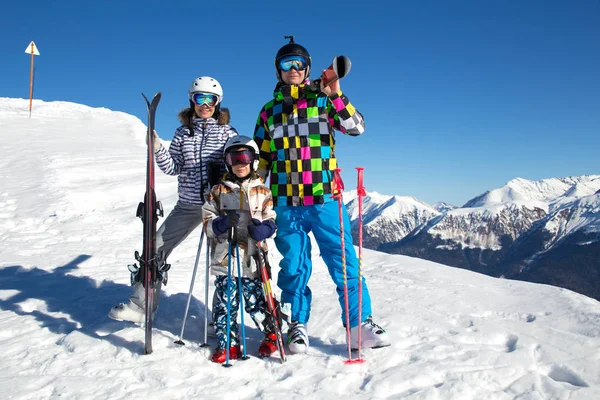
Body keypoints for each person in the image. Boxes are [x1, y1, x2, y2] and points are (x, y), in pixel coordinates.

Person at [252, 37, 390, 354]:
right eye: (286, 64)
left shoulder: (323, 101)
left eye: (299, 63)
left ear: (308, 68)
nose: (293, 69)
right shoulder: (269, 112)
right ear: (278, 70)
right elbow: (262, 158)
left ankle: (359, 325)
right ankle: (295, 326)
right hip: (285, 202)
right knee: (295, 267)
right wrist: (252, 192)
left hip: (324, 199)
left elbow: (357, 128)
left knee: (344, 262)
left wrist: (336, 94)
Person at [109, 76, 238, 323]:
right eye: (200, 98)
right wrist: (158, 148)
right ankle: (141, 306)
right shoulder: (182, 133)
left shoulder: (227, 132)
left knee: (223, 260)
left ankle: (221, 319)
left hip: (218, 206)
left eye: (211, 99)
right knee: (154, 249)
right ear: (192, 100)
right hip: (188, 205)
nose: (205, 104)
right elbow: (172, 167)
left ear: (218, 102)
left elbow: (235, 166)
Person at [202, 136, 279, 363]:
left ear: (254, 160)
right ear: (227, 162)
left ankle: (271, 334)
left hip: (252, 258)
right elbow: (207, 220)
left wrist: (265, 229)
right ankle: (229, 344)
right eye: (234, 158)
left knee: (256, 301)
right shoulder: (218, 190)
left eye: (245, 157)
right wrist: (220, 224)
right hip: (225, 257)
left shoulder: (263, 191)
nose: (240, 163)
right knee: (226, 304)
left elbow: (271, 217)